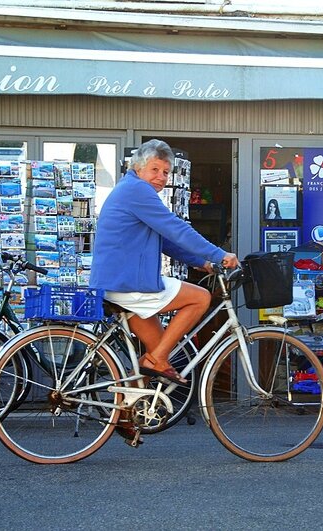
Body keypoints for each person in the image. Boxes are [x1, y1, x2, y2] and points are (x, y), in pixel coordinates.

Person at [90, 140, 238, 440]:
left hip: (117, 283)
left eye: (166, 172)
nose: (161, 176)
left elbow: (165, 240)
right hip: (128, 282)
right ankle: (154, 361)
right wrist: (218, 254)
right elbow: (175, 229)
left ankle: (123, 415)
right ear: (137, 168)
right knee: (200, 297)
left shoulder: (131, 190)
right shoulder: (137, 190)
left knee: (158, 348)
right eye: (155, 169)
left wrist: (201, 263)